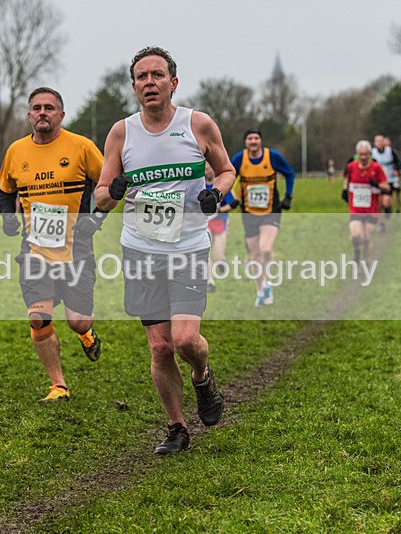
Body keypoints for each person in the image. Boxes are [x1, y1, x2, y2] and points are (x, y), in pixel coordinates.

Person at [95, 46, 236, 454]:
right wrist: (114, 191)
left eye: (157, 75)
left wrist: (215, 194)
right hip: (140, 249)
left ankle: (202, 375)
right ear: (134, 86)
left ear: (173, 83)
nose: (149, 82)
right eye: (142, 77)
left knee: (186, 339)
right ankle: (176, 427)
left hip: (188, 247)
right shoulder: (122, 133)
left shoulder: (198, 124)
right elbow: (101, 196)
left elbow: (227, 171)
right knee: (159, 346)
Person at [0, 87, 104, 402]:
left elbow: (109, 181)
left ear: (61, 114)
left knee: (77, 319)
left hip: (76, 249)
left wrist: (96, 219)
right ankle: (58, 385)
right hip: (34, 250)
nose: (42, 112)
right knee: (38, 317)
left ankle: (85, 333)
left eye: (49, 108)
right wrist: (6, 216)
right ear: (29, 114)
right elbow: (4, 190)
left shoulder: (82, 147)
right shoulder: (16, 151)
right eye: (36, 108)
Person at [231, 128, 295, 306]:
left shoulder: (272, 156)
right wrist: (231, 199)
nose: (253, 141)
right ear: (245, 142)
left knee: (266, 248)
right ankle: (260, 290)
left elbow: (289, 173)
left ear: (261, 141)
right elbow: (227, 175)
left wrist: (288, 195)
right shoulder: (239, 159)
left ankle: (268, 282)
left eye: (256, 138)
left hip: (271, 210)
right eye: (250, 138)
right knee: (254, 255)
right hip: (249, 212)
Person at [343, 140, 390, 262]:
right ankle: (356, 253)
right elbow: (346, 180)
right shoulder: (351, 167)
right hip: (356, 209)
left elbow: (387, 187)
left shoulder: (377, 168)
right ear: (357, 154)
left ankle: (367, 264)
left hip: (371, 210)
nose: (363, 157)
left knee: (367, 238)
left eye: (365, 154)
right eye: (361, 154)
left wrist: (377, 185)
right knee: (355, 235)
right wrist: (344, 190)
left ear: (370, 154)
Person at [204, 162, 239, 292]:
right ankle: (210, 281)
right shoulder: (199, 184)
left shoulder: (221, 183)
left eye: (209, 167)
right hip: (205, 223)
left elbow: (233, 203)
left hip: (221, 221)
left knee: (217, 255)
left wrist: (219, 210)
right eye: (205, 167)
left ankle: (221, 261)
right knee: (206, 252)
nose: (206, 170)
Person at [372, 135, 401, 228]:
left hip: (389, 180)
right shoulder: (372, 153)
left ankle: (388, 212)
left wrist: (397, 170)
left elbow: (398, 162)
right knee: (378, 203)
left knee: (386, 202)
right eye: (377, 141)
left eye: (381, 141)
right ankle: (381, 223)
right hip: (377, 182)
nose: (379, 143)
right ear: (374, 143)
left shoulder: (391, 151)